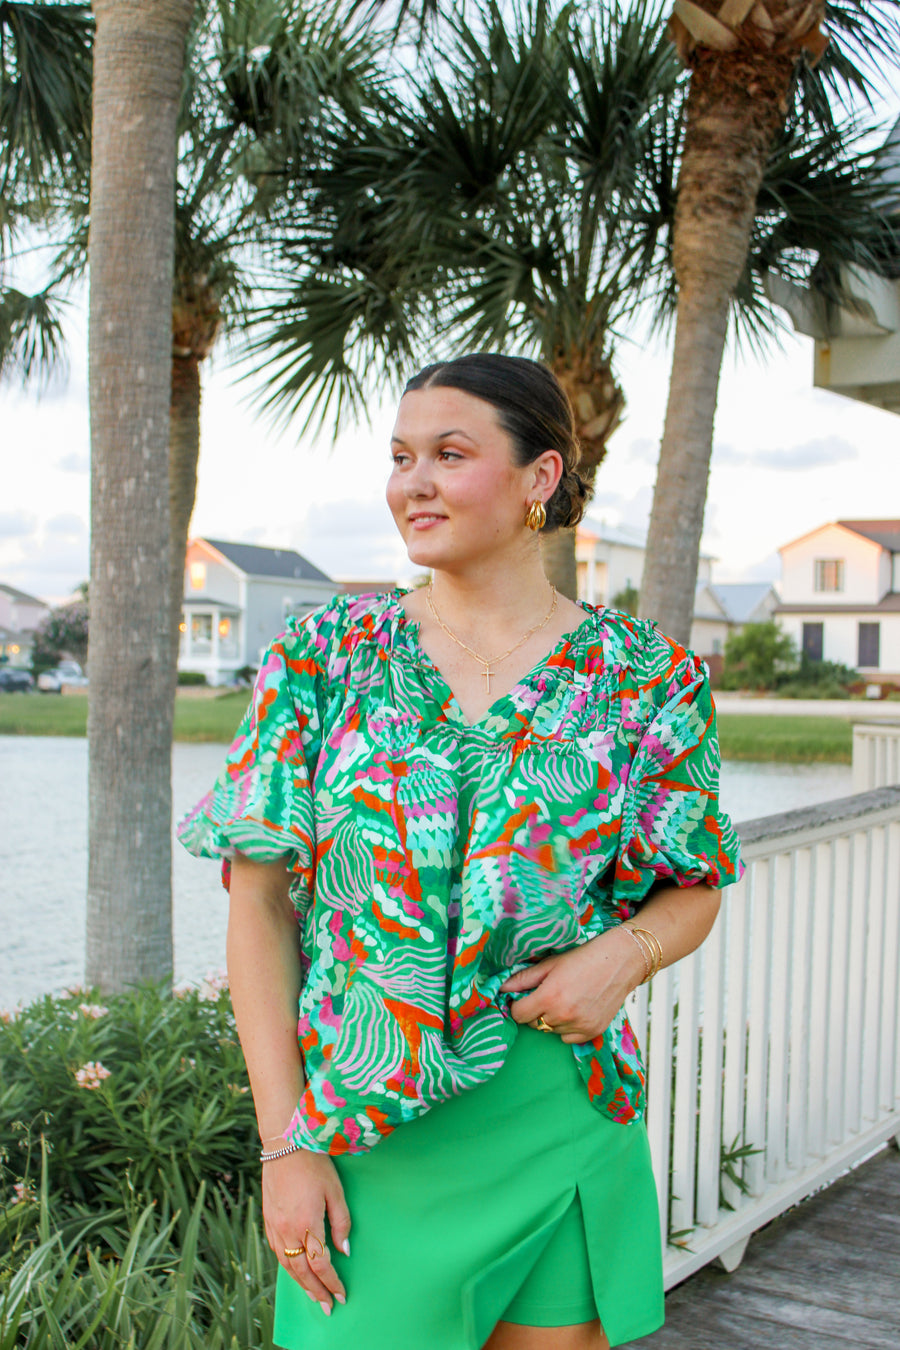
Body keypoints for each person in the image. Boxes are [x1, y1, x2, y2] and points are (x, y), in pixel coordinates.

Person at [178, 353, 743, 1350]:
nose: (414, 483)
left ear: (540, 478)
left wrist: (622, 957)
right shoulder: (319, 662)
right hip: (362, 1135)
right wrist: (285, 1147)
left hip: (557, 1109)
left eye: (449, 453)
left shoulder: (645, 676)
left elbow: (691, 885)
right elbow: (260, 909)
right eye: (400, 457)